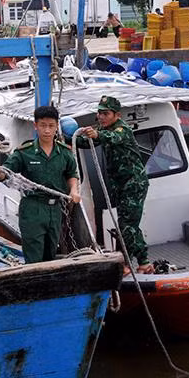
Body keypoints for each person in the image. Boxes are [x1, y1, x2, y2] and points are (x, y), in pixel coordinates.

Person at [0, 106, 80, 263]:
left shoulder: (65, 153)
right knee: (34, 257)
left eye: (51, 126)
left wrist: (74, 190)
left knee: (51, 255)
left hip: (55, 209)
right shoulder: (25, 152)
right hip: (33, 208)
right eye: (43, 125)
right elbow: (7, 171)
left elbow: (72, 174)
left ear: (57, 126)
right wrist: (0, 173)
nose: (47, 130)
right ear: (35, 125)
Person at [77, 96, 153, 275]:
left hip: (133, 184)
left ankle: (134, 264)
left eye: (105, 113)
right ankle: (136, 262)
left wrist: (97, 134)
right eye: (99, 113)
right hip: (120, 185)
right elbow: (87, 142)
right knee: (127, 224)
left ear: (116, 115)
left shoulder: (121, 130)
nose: (101, 117)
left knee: (128, 226)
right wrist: (65, 139)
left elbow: (112, 137)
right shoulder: (105, 129)